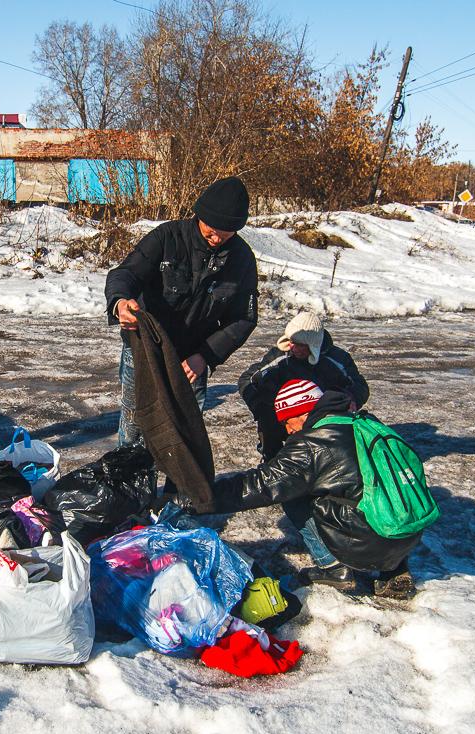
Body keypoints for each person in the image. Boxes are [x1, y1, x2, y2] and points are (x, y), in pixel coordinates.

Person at [187, 379, 420, 600]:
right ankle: (394, 569)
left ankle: (333, 568)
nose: (288, 430)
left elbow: (262, 484)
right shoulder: (365, 422)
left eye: (288, 421)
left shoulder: (314, 442)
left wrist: (199, 498)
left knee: (293, 495)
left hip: (366, 545)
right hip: (408, 533)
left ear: (303, 412)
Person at [105, 176, 258, 444]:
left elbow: (243, 319)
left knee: (183, 435)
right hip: (145, 349)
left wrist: (206, 356)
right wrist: (120, 302)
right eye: (212, 228)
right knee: (135, 426)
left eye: (226, 232)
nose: (216, 237)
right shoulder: (167, 238)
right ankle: (129, 483)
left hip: (192, 358)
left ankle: (181, 487)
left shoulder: (242, 259)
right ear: (199, 215)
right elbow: (125, 274)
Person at [238, 311, 369, 461]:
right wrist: (263, 409)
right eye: (291, 341)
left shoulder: (337, 359)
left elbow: (361, 387)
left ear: (313, 345)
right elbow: (247, 380)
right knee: (267, 416)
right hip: (286, 417)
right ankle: (270, 459)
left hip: (322, 417)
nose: (293, 348)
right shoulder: (280, 355)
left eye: (300, 345)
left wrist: (350, 399)